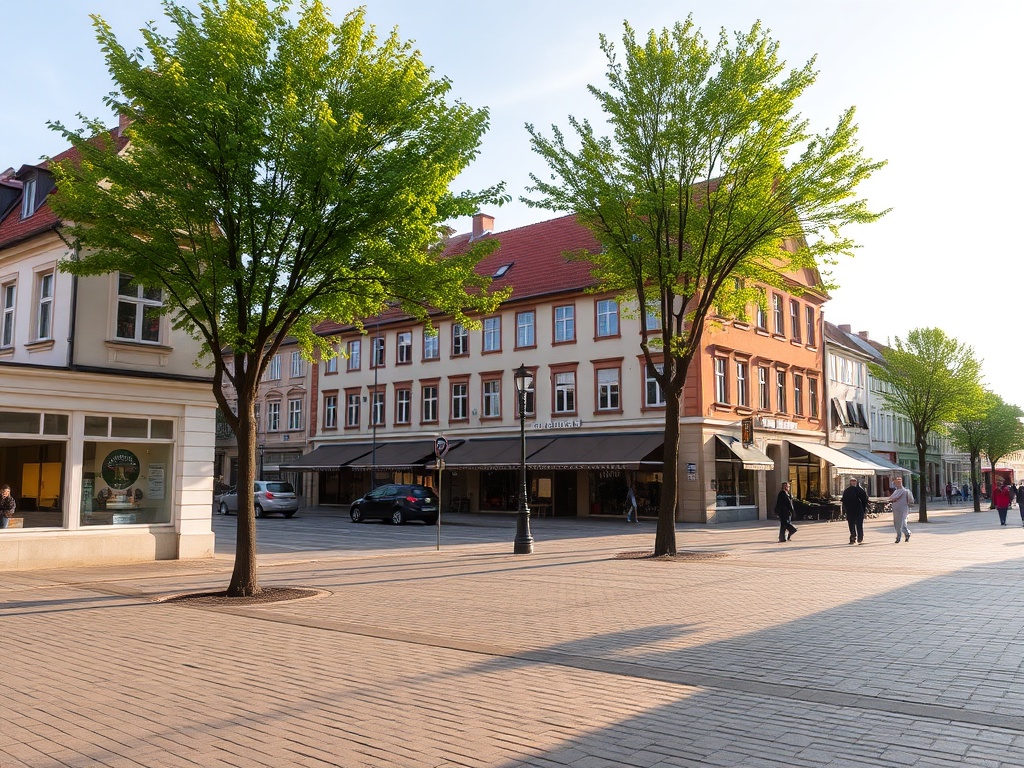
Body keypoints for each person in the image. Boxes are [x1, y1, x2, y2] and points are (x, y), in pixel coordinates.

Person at [884, 475, 914, 543]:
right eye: (895, 483)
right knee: (897, 523)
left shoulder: (906, 491)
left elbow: (911, 500)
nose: (896, 484)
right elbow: (890, 498)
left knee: (903, 522)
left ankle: (905, 534)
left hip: (903, 509)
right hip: (896, 509)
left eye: (897, 483)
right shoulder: (896, 492)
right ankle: (899, 535)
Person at [841, 477, 870, 545]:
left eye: (854, 481)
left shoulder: (860, 490)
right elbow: (844, 501)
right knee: (852, 524)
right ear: (850, 482)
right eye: (852, 481)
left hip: (858, 510)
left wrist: (864, 509)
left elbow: (865, 500)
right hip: (851, 510)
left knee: (858, 524)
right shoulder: (848, 491)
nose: (853, 483)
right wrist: (845, 510)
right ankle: (853, 537)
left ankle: (859, 538)